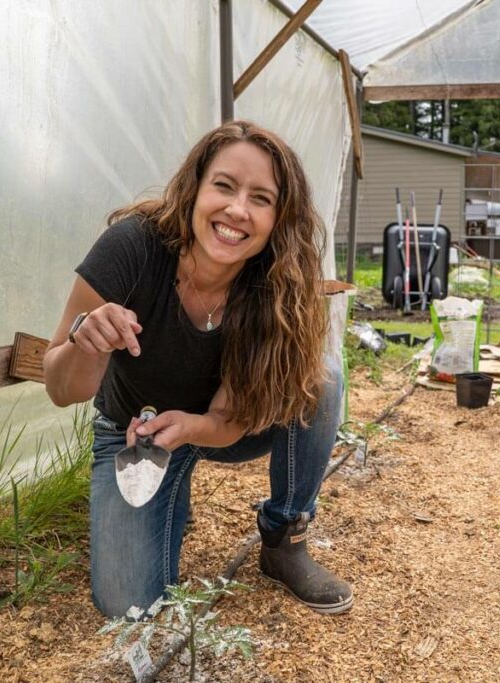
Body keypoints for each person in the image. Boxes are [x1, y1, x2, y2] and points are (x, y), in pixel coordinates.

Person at [42, 120, 352, 618]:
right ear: (194, 190)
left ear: (278, 218)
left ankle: (284, 537)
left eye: (261, 198)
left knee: (322, 376)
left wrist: (192, 429)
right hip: (133, 434)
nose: (236, 210)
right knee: (129, 607)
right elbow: (62, 389)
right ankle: (167, 491)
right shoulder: (133, 248)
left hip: (216, 421)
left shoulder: (274, 284)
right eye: (224, 186)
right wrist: (86, 342)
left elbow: (229, 419)